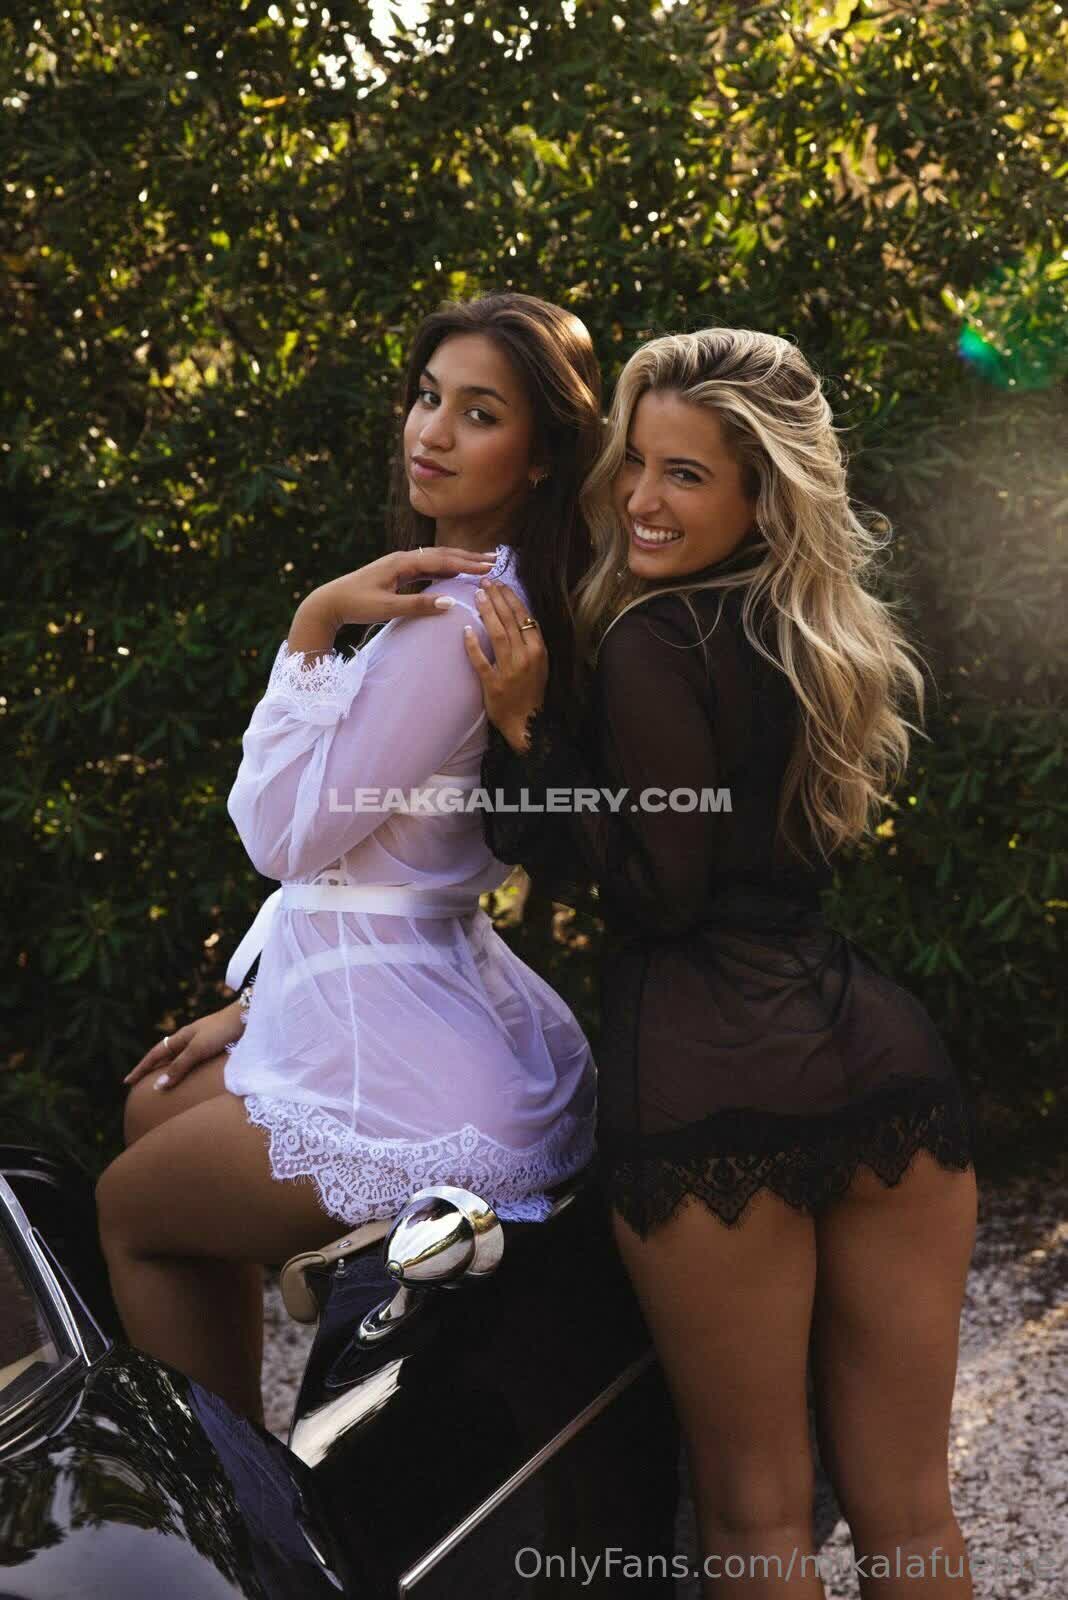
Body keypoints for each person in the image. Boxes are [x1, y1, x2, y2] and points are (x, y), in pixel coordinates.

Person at [463, 327, 979, 1598]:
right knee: (913, 1509)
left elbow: (660, 888)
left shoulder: (656, 641)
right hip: (881, 1061)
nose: (642, 497)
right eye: (636, 462)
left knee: (756, 1516)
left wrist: (527, 734)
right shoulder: (812, 632)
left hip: (708, 1077)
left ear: (762, 493)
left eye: (685, 474)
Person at [94, 293, 602, 1424]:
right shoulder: (485, 587)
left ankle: (235, 1507)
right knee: (155, 1107)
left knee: (129, 1206)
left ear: (539, 457)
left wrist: (313, 620)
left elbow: (282, 838)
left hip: (415, 1069)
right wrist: (257, 1007)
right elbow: (360, 867)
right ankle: (247, 1445)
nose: (433, 431)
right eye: (427, 397)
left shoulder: (454, 620)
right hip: (391, 999)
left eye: (479, 413)